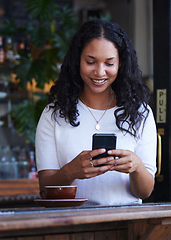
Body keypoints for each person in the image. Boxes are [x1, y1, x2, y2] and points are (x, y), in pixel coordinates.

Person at [35, 19, 157, 205]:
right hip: (72, 226)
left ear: (121, 64)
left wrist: (137, 168)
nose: (99, 72)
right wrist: (71, 171)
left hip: (126, 225)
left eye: (109, 63)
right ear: (77, 61)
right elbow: (45, 189)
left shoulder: (140, 113)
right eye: (90, 62)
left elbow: (145, 191)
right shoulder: (54, 115)